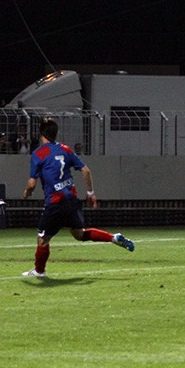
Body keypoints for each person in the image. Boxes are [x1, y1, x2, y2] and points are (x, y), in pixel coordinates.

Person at [21, 118, 135, 278]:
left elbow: (32, 183)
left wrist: (27, 193)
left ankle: (39, 271)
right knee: (79, 234)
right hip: (71, 200)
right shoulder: (65, 149)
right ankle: (113, 238)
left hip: (55, 203)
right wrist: (90, 193)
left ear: (40, 133)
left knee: (42, 239)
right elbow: (86, 171)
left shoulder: (39, 153)